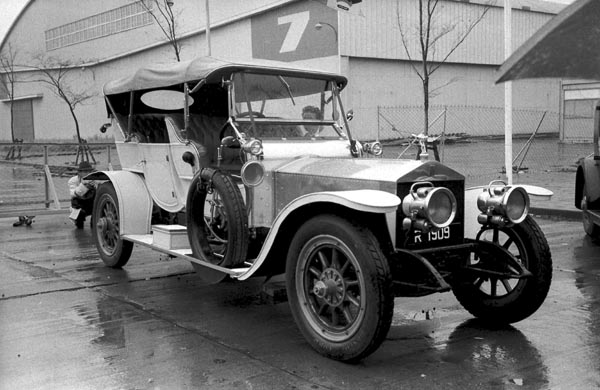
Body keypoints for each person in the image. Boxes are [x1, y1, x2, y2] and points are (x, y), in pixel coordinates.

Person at [68, 161, 96, 229]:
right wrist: (85, 186)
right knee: (79, 221)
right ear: (79, 173)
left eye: (89, 172)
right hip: (80, 204)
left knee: (94, 225)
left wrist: (95, 186)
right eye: (85, 172)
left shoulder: (95, 179)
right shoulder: (72, 181)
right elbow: (73, 194)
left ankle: (94, 223)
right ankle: (79, 224)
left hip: (92, 203)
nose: (88, 174)